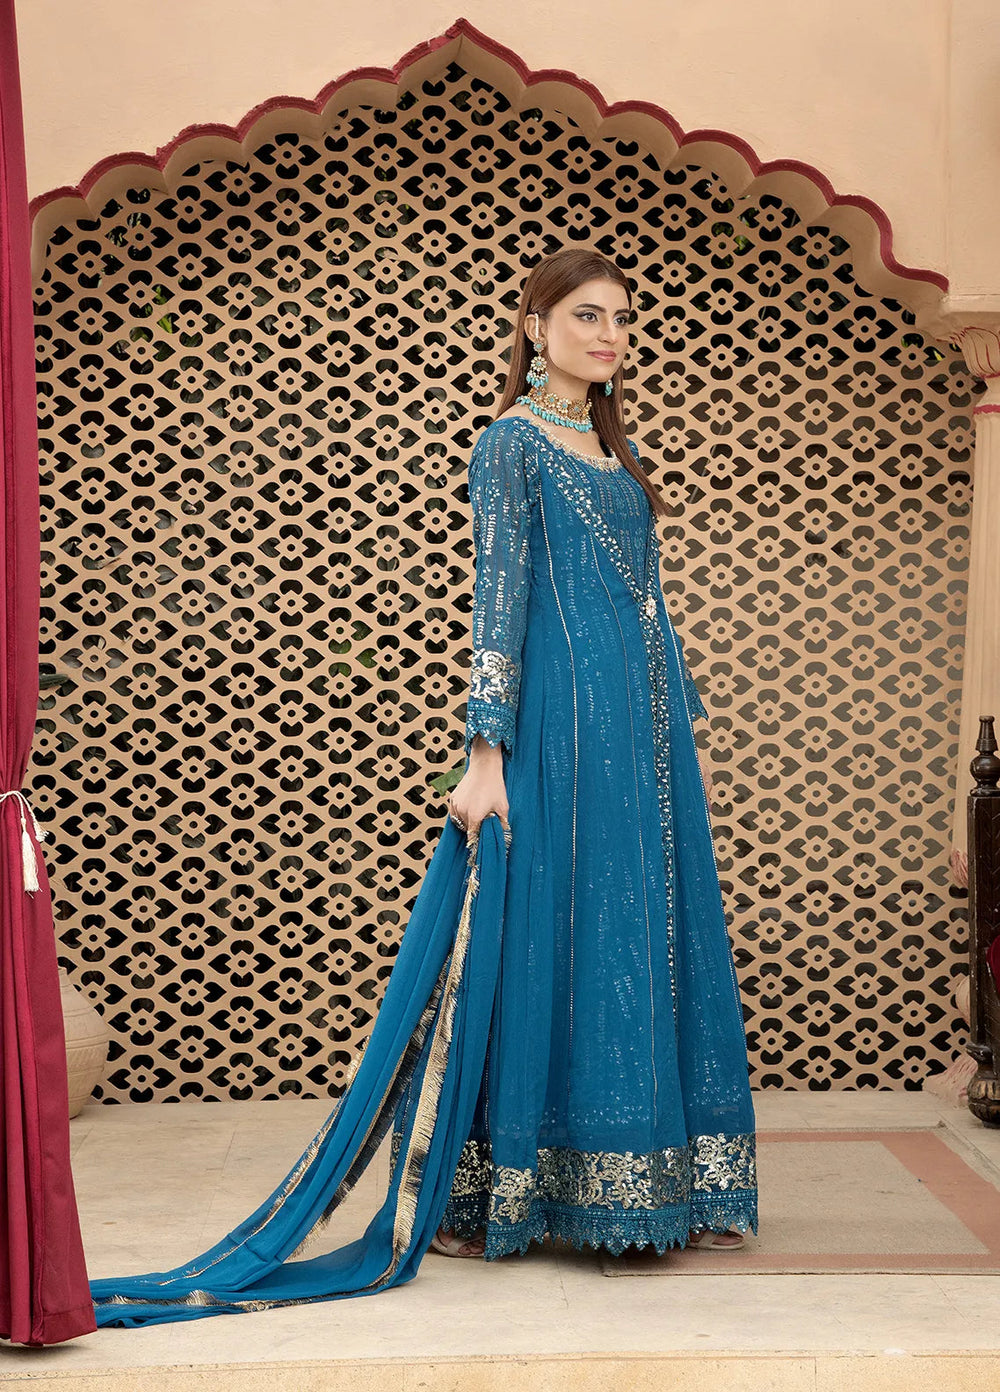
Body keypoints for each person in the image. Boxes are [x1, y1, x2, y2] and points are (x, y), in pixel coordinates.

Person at [88, 249, 757, 1329]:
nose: (610, 335)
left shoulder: (611, 448)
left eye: (623, 319)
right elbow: (500, 598)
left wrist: (687, 727)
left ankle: (657, 1180)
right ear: (536, 325)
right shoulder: (510, 445)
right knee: (552, 934)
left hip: (640, 736)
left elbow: (651, 604)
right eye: (588, 316)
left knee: (642, 933)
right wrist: (486, 751)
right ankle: (524, 1189)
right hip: (556, 728)